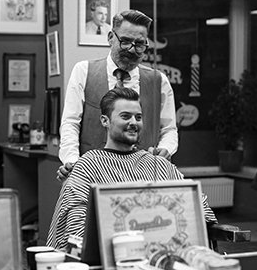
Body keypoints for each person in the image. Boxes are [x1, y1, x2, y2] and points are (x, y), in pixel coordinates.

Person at [47, 88, 217, 251]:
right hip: (113, 259)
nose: (133, 123)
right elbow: (76, 230)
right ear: (105, 121)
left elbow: (197, 205)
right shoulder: (88, 166)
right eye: (125, 116)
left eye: (138, 117)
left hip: (164, 254)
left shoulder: (158, 164)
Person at [58, 9, 178, 181]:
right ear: (110, 37)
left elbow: (169, 129)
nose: (131, 49)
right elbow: (70, 123)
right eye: (125, 41)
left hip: (143, 177)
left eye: (139, 44)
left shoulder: (159, 81)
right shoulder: (83, 71)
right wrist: (72, 162)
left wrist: (166, 149)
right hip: (93, 175)